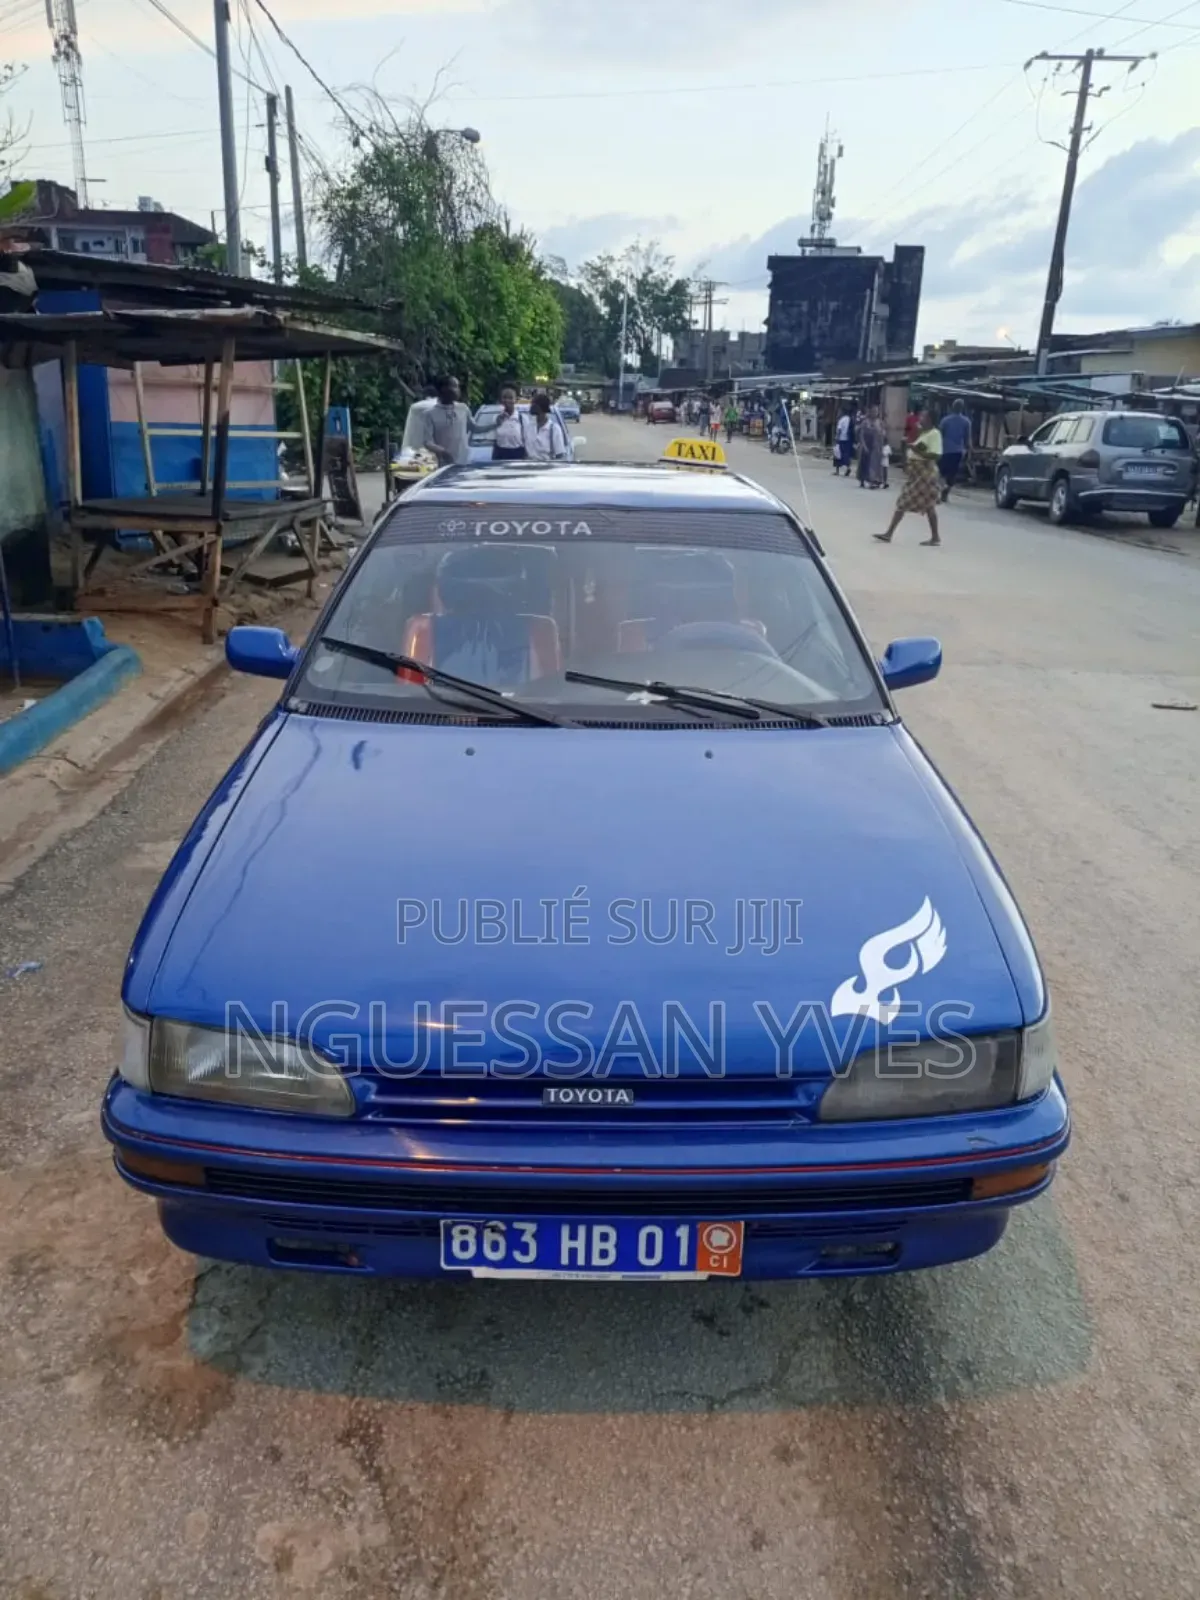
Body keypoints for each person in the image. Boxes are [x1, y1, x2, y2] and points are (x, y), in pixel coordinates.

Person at [875, 408, 943, 546]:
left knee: (904, 502)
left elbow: (936, 455)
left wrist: (916, 450)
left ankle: (889, 533)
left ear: (930, 419)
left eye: (923, 417)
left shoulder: (934, 434)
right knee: (928, 505)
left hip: (925, 473)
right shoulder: (925, 433)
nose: (919, 420)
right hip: (917, 473)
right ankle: (935, 537)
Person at [419, 376, 472, 466]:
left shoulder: (463, 408)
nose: (458, 390)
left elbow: (475, 427)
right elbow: (427, 442)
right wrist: (443, 452)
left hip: (464, 462)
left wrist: (495, 424)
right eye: (455, 386)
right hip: (445, 464)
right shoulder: (430, 414)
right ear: (444, 389)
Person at [938, 399, 972, 501]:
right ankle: (946, 490)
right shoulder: (966, 421)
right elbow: (967, 438)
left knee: (940, 472)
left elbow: (939, 435)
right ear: (962, 408)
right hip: (957, 451)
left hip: (944, 450)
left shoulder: (945, 420)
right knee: (952, 473)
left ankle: (942, 487)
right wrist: (969, 451)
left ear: (952, 407)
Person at [525, 392, 568, 461]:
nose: (532, 407)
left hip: (546, 468)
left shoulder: (554, 429)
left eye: (535, 405)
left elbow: (559, 455)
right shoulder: (529, 427)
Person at [400, 383, 438, 453]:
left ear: (425, 395)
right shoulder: (445, 406)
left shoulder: (415, 407)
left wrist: (405, 450)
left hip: (417, 450)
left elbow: (409, 432)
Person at [492, 385, 526, 460]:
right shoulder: (496, 418)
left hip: (517, 457)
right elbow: (493, 439)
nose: (507, 400)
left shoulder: (522, 419)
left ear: (516, 400)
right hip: (500, 457)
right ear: (501, 399)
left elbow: (527, 441)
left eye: (510, 398)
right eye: (504, 397)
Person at [857, 405, 885, 489]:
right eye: (873, 411)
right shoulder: (865, 422)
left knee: (873, 464)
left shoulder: (879, 422)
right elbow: (861, 435)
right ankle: (862, 480)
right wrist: (864, 446)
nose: (875, 413)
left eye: (876, 411)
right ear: (870, 412)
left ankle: (872, 481)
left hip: (876, 446)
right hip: (866, 444)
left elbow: (882, 434)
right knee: (864, 463)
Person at [833, 409, 853, 475]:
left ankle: (837, 471)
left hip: (841, 439)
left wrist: (837, 439)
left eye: (838, 412)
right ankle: (848, 468)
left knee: (837, 454)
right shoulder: (849, 419)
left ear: (842, 413)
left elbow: (839, 430)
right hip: (848, 439)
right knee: (846, 455)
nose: (837, 414)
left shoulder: (841, 420)